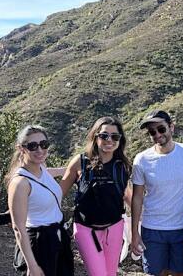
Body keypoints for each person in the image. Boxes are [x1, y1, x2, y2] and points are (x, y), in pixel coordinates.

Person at [131, 109, 183, 276]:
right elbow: (137, 197)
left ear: (172, 127)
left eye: (161, 129)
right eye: (152, 132)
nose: (157, 135)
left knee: (182, 273)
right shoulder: (141, 159)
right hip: (153, 229)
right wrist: (134, 233)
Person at [59, 116, 131, 276]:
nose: (109, 140)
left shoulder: (122, 166)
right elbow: (58, 193)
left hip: (114, 229)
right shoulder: (80, 162)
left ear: (120, 140)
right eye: (104, 135)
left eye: (115, 136)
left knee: (110, 274)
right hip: (86, 230)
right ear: (95, 136)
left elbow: (128, 196)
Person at [5, 125, 74, 276]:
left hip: (58, 238)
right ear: (21, 148)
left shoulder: (41, 169)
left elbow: (52, 173)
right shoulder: (20, 183)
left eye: (44, 144)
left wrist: (76, 168)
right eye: (32, 146)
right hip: (39, 243)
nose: (40, 150)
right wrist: (32, 265)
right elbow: (19, 228)